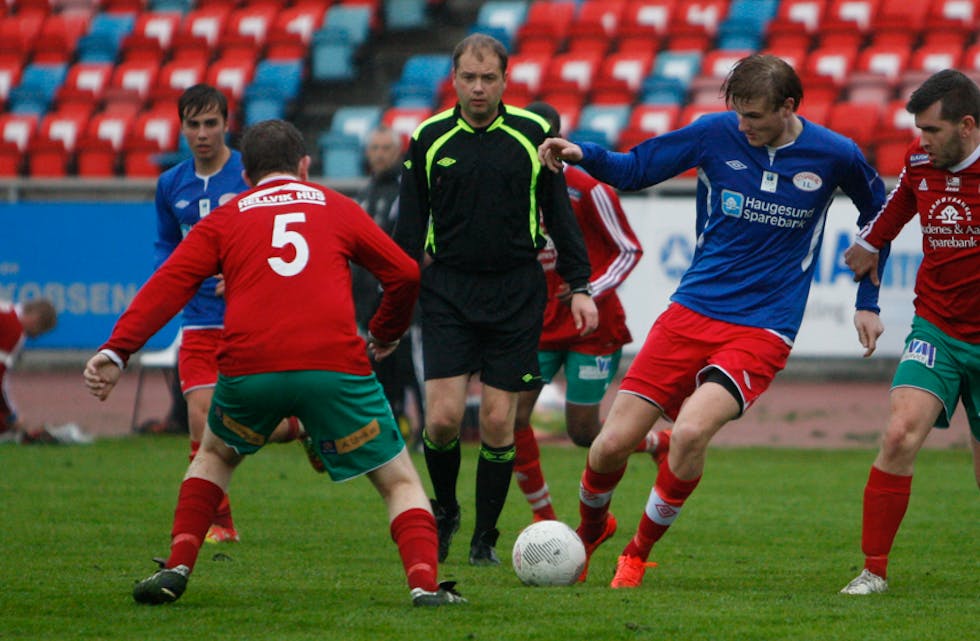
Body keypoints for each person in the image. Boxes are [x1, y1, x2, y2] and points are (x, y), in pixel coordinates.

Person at [537, 53, 888, 588]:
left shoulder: (835, 154)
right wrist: (583, 152)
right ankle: (589, 532)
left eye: (754, 117)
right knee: (608, 445)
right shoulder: (714, 132)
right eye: (739, 116)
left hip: (764, 324)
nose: (742, 127)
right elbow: (636, 168)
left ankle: (637, 553)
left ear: (789, 106)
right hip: (692, 309)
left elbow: (879, 214)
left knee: (691, 433)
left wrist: (868, 299)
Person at [83, 119, 466, 608]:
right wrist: (386, 332)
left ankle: (177, 566)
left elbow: (170, 282)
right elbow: (405, 272)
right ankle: (424, 586)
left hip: (251, 368)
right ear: (305, 166)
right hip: (334, 367)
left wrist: (117, 350)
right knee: (399, 481)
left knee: (215, 456)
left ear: (245, 176)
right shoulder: (335, 205)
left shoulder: (225, 217)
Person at [394, 33, 599, 566]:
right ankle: (444, 512)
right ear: (455, 80)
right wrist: (394, 299)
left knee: (497, 422)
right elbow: (408, 229)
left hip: (516, 290)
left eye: (489, 78)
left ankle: (484, 536)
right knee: (439, 421)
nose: (479, 88)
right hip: (448, 291)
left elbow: (560, 216)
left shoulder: (535, 134)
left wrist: (579, 286)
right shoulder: (428, 137)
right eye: (469, 78)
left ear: (506, 80)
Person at [839, 69, 980, 595]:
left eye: (932, 130)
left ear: (966, 126)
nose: (922, 141)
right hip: (938, 326)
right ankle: (873, 570)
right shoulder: (920, 163)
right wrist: (868, 267)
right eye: (918, 129)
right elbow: (888, 220)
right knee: (899, 434)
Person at [154, 84, 299, 543]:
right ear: (182, 128)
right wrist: (174, 279)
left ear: (226, 124)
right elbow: (167, 247)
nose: (202, 134)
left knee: (251, 423)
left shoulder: (248, 174)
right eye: (193, 125)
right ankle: (220, 522)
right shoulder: (170, 184)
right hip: (199, 320)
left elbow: (283, 230)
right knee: (202, 416)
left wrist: (242, 274)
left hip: (252, 317)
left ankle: (297, 425)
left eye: (211, 123)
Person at [512, 101, 657, 523]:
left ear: (559, 140)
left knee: (581, 432)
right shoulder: (514, 186)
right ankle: (545, 520)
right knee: (513, 419)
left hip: (591, 325)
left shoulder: (589, 188)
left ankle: (654, 444)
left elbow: (629, 249)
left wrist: (586, 289)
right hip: (537, 325)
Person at [353, 125, 425, 446]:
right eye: (375, 148)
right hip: (367, 298)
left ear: (398, 151)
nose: (380, 154)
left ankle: (428, 433)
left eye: (385, 148)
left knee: (414, 371)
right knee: (383, 374)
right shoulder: (365, 193)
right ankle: (391, 434)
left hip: (404, 300)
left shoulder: (405, 189)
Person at [0, 298, 73, 444]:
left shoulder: (7, 309)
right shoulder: (14, 328)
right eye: (40, 331)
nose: (35, 337)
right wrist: (10, 417)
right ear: (36, 319)